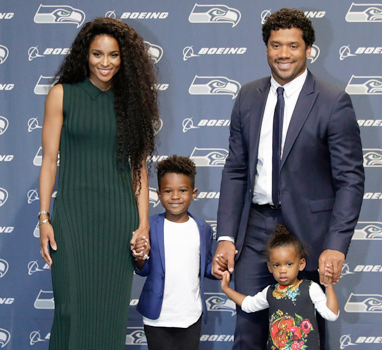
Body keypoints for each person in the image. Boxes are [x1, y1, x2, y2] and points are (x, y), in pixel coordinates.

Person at [213, 8, 364, 350]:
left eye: (293, 46)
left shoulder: (333, 102)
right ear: (266, 48)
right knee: (248, 331)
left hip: (308, 235)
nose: (283, 54)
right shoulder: (248, 96)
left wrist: (336, 245)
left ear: (309, 49)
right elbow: (235, 170)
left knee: (306, 337)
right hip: (254, 231)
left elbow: (350, 180)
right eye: (275, 45)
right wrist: (225, 236)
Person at [38, 17, 158, 349]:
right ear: (84, 55)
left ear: (124, 59)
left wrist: (143, 225)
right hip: (72, 217)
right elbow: (49, 161)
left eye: (114, 55)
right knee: (70, 308)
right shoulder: (62, 95)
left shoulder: (132, 102)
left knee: (109, 314)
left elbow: (139, 168)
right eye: (97, 54)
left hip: (118, 220)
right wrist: (44, 217)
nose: (105, 63)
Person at [131, 155, 214, 350]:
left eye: (182, 190)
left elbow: (206, 267)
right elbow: (143, 270)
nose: (175, 196)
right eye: (168, 191)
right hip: (157, 318)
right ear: (159, 194)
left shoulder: (202, 228)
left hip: (191, 315)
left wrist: (219, 267)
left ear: (194, 193)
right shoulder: (149, 226)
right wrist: (139, 258)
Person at [221, 224, 339, 350]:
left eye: (289, 264)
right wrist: (226, 288)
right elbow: (248, 305)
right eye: (277, 265)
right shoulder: (270, 292)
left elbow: (331, 314)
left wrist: (329, 285)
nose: (283, 270)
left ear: (301, 264)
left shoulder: (310, 288)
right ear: (269, 267)